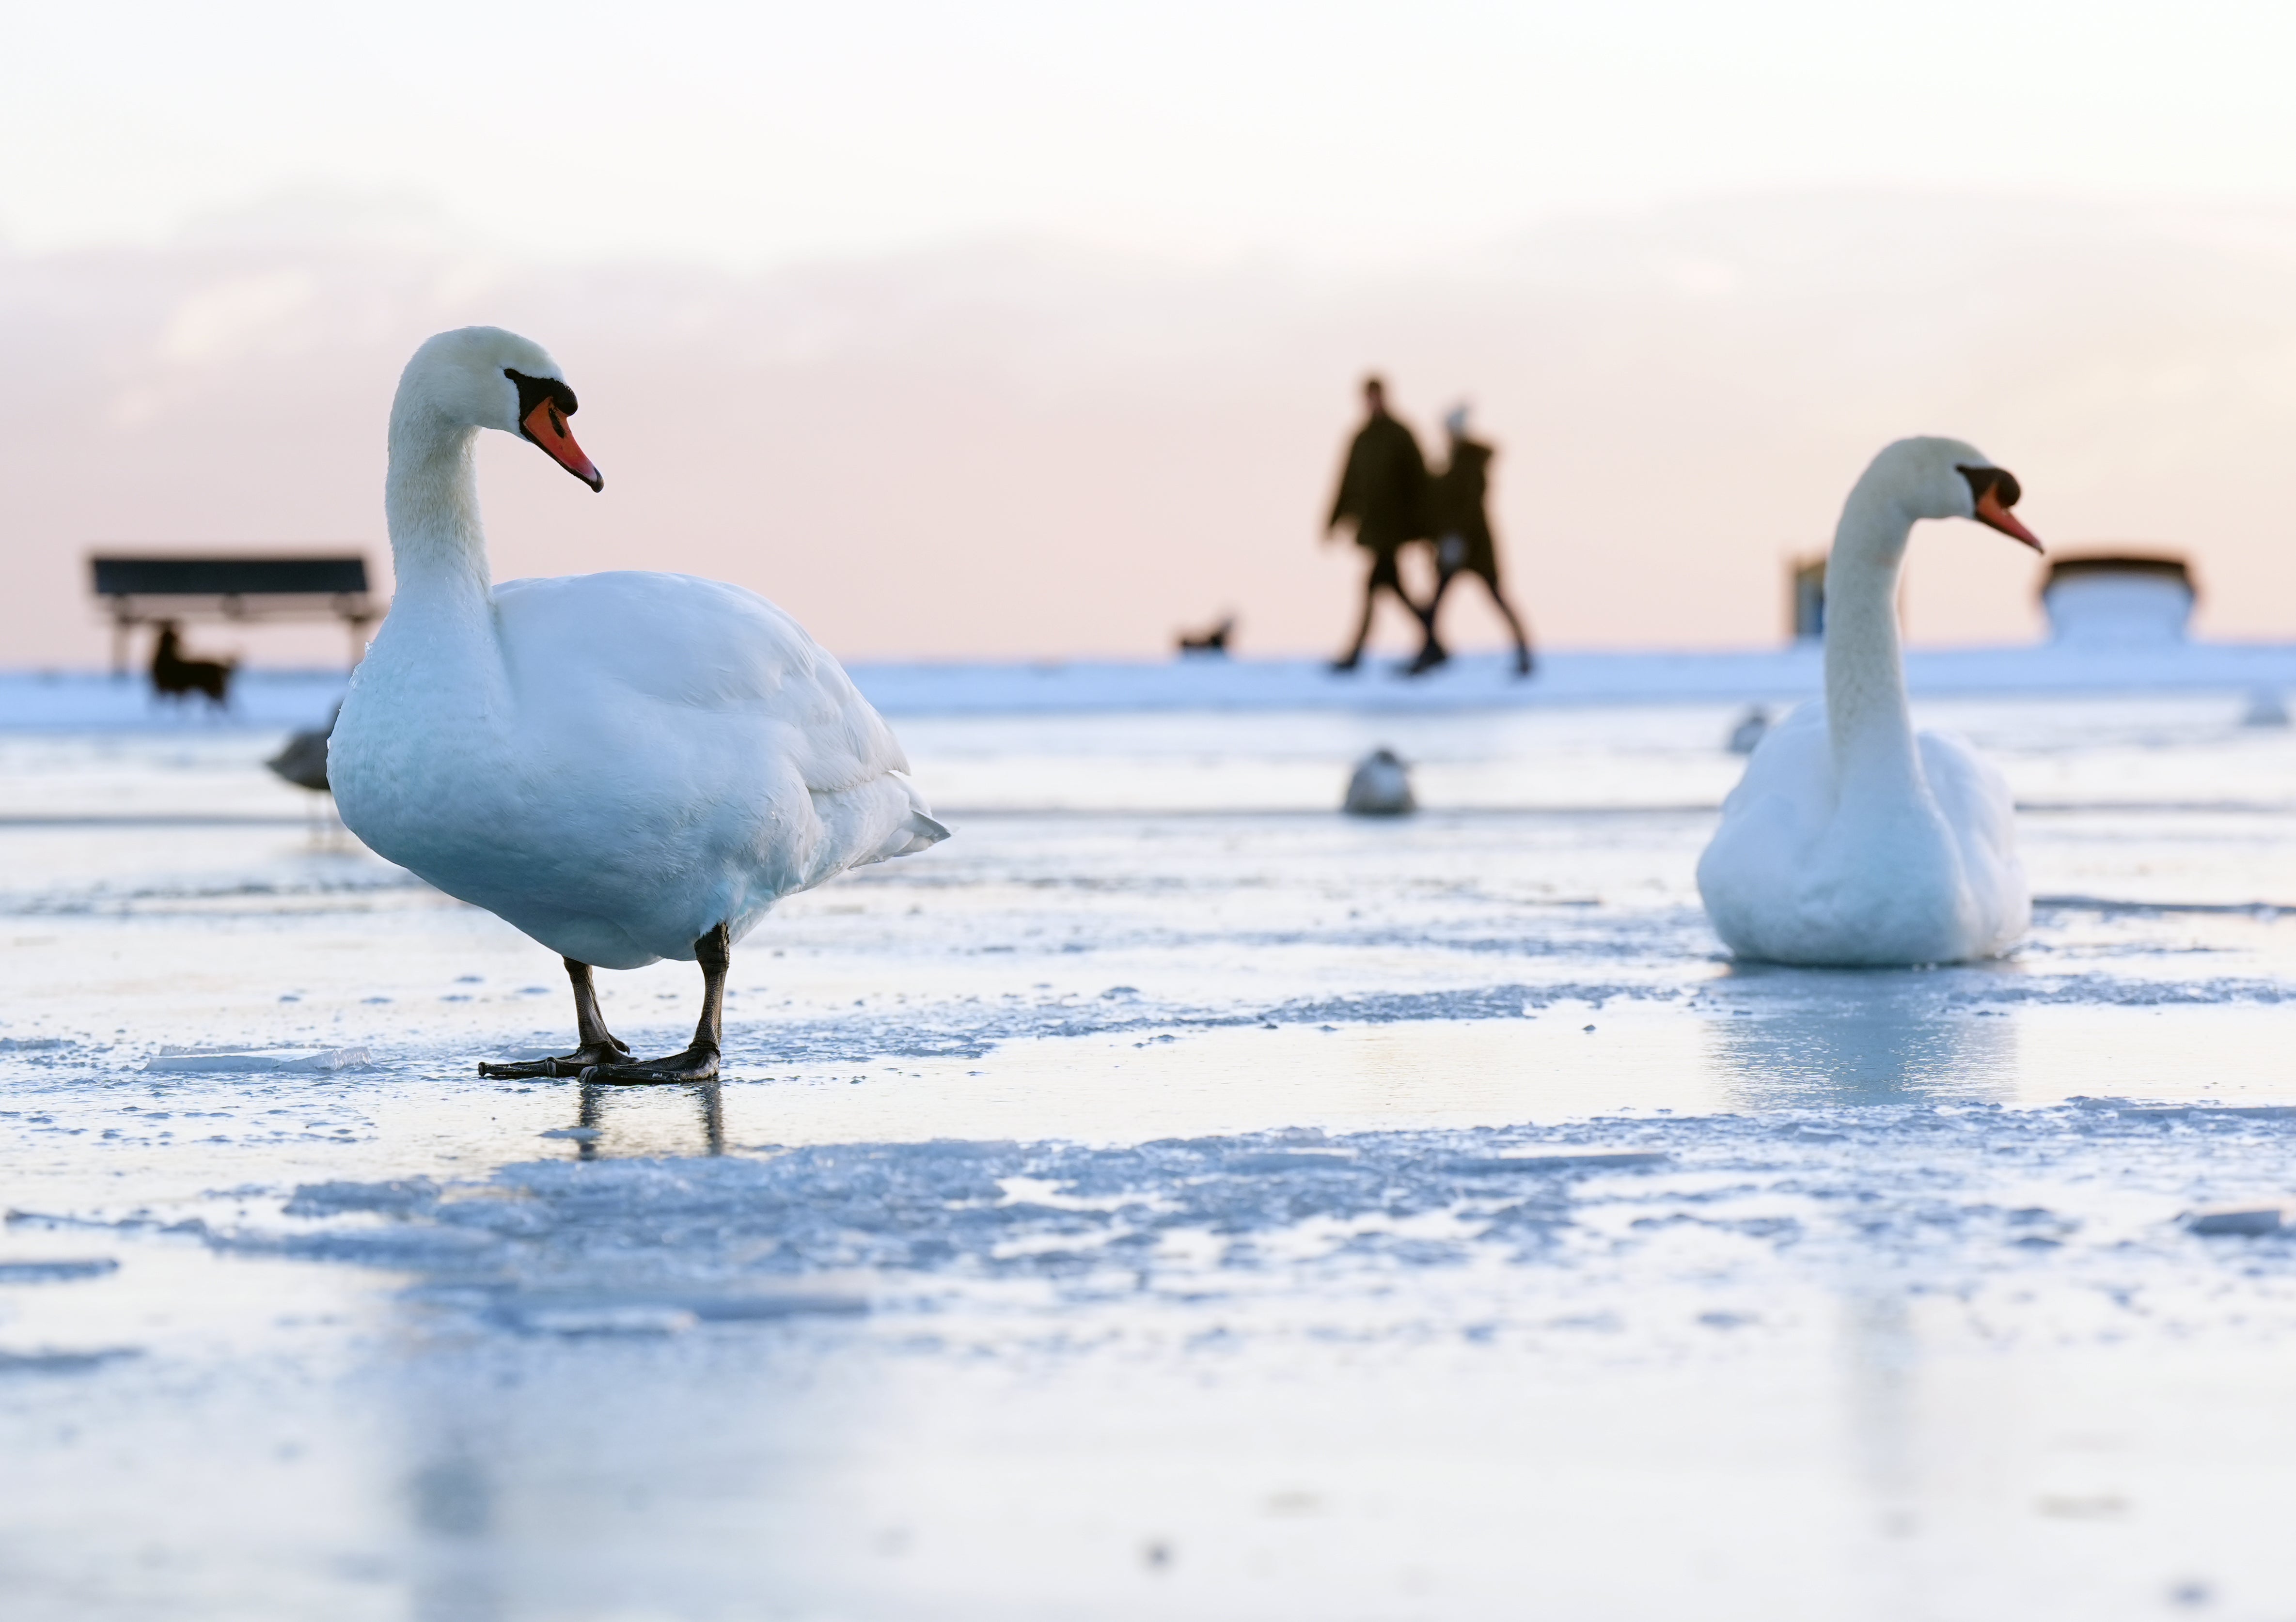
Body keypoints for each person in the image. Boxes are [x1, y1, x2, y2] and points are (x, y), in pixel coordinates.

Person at [1410, 405, 1534, 677]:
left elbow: (1468, 506)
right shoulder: (1455, 462)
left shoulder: (1469, 463)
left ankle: (1524, 653)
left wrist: (1456, 538)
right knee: (1439, 601)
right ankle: (1430, 652)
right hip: (1457, 543)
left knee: (1491, 596)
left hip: (1473, 544)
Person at [1323, 375, 1431, 672]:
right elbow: (1347, 483)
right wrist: (1334, 520)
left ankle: (1356, 654)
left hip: (1395, 529)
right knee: (1389, 587)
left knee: (1373, 587)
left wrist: (1424, 527)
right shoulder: (1361, 439)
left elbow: (1419, 481)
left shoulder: (1400, 435)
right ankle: (1432, 641)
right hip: (1374, 528)